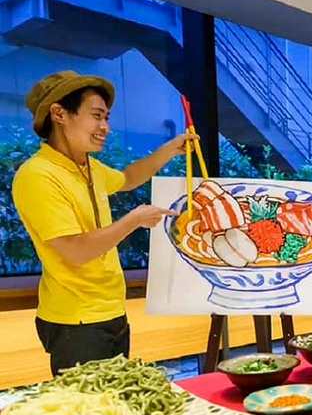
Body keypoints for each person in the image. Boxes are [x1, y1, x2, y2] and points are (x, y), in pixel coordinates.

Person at [12, 71, 196, 376]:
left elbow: (128, 178)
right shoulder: (38, 175)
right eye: (96, 116)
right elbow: (75, 251)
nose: (105, 127)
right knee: (87, 404)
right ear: (59, 114)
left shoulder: (87, 167)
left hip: (110, 310)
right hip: (76, 320)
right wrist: (134, 219)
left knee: (115, 400)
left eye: (106, 118)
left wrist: (170, 149)